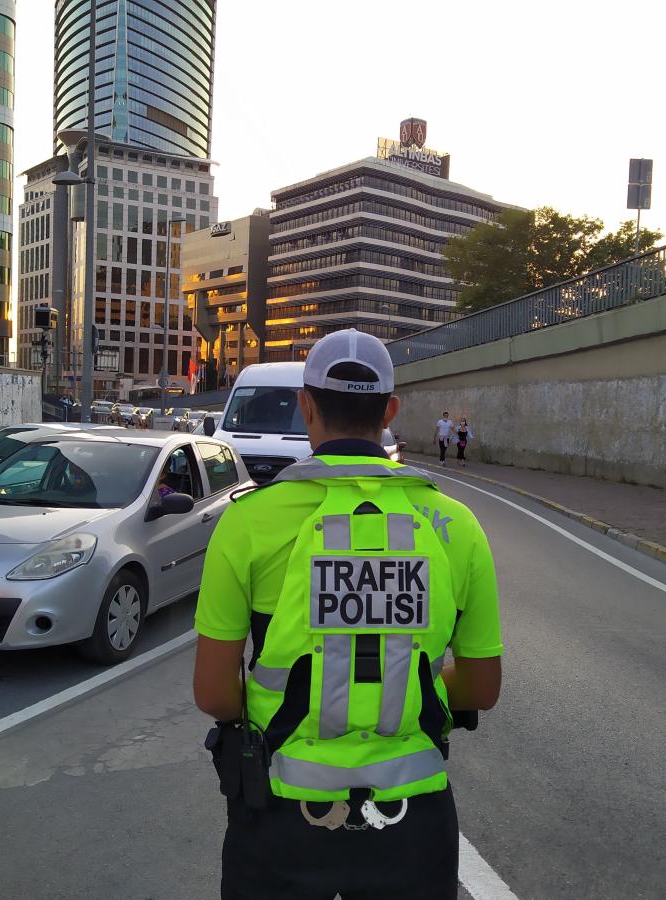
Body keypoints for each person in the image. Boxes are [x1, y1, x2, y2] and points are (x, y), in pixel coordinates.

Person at [193, 328, 503, 900]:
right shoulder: (458, 527)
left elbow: (214, 694)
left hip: (278, 816)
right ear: (389, 411)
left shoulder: (247, 522)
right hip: (412, 822)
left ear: (305, 405)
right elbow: (481, 688)